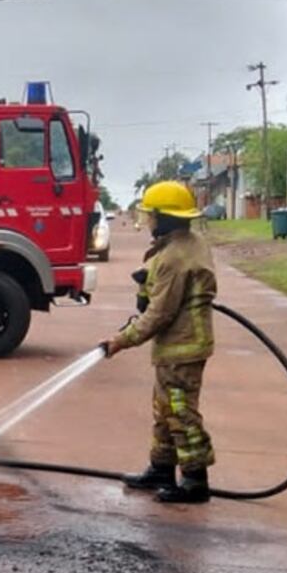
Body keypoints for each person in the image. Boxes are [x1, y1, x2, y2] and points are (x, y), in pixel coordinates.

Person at [100, 181, 217, 504]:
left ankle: (195, 480)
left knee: (180, 412)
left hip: (183, 345)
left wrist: (121, 340)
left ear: (164, 218)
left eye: (152, 215)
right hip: (180, 344)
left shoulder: (174, 258)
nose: (149, 221)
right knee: (165, 408)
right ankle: (162, 468)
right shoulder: (188, 243)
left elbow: (159, 315)